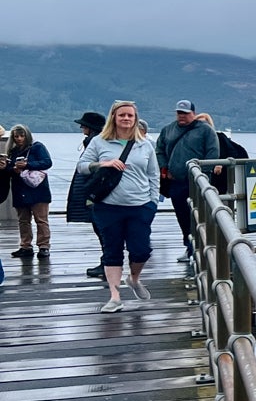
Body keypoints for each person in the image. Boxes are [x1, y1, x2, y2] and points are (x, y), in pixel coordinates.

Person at [78, 100, 161, 312]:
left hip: (140, 206)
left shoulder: (145, 144)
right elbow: (82, 167)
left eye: (130, 115)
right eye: (122, 115)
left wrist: (152, 203)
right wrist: (102, 163)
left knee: (141, 251)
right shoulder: (99, 142)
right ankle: (115, 297)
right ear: (113, 117)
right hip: (108, 206)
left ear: (135, 119)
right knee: (112, 251)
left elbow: (153, 175)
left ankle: (134, 278)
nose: (126, 118)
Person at [155, 100, 219, 261]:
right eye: (179, 113)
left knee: (199, 216)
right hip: (176, 182)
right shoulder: (168, 130)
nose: (182, 116)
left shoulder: (206, 130)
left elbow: (212, 152)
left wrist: (203, 174)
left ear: (193, 113)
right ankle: (189, 247)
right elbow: (159, 150)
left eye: (185, 113)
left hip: (197, 183)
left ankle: (203, 248)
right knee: (182, 216)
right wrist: (164, 168)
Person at [66, 111, 109, 278]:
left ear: (91, 128)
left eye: (83, 125)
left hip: (95, 195)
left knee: (102, 229)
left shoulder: (95, 143)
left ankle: (107, 264)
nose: (81, 128)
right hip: (95, 193)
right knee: (101, 229)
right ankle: (107, 262)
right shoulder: (96, 142)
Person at [5, 124, 53, 258]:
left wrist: (28, 165)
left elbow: (47, 162)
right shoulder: (13, 151)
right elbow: (9, 169)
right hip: (20, 189)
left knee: (41, 220)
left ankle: (44, 246)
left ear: (27, 136)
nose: (19, 139)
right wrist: (11, 168)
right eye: (16, 136)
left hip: (38, 189)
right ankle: (25, 246)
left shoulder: (37, 147)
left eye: (22, 136)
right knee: (23, 220)